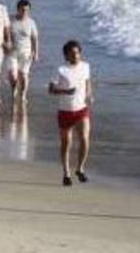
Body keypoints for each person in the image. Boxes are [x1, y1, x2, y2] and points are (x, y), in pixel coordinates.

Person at [48, 40, 93, 186]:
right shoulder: (60, 70)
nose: (76, 56)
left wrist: (89, 94)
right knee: (66, 143)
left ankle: (80, 168)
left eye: (78, 53)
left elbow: (87, 82)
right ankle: (66, 173)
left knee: (85, 138)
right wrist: (66, 91)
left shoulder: (85, 66)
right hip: (65, 111)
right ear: (66, 55)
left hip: (81, 109)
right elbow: (51, 90)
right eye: (72, 54)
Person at [7, 0, 39, 103]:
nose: (25, 12)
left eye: (27, 10)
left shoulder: (31, 22)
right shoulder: (10, 20)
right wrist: (4, 45)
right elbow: (3, 34)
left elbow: (35, 38)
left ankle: (23, 95)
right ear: (18, 9)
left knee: (24, 76)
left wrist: (36, 52)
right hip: (12, 52)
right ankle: (14, 90)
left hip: (26, 52)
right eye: (22, 10)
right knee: (13, 75)